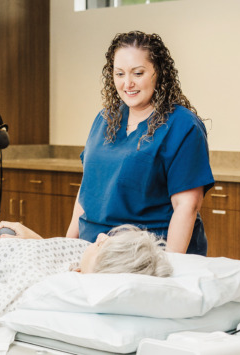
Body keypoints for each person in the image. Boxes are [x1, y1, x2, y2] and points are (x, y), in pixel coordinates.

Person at [66, 30, 214, 255]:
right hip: (93, 250)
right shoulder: (104, 119)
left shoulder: (182, 125)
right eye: (119, 74)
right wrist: (68, 246)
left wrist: (169, 267)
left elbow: (187, 206)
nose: (128, 83)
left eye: (138, 73)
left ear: (159, 73)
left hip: (145, 256)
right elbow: (87, 190)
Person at [0, 221, 172, 342]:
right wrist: (32, 238)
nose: (100, 236)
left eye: (103, 244)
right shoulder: (84, 256)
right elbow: (57, 259)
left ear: (103, 267)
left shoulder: (36, 283)